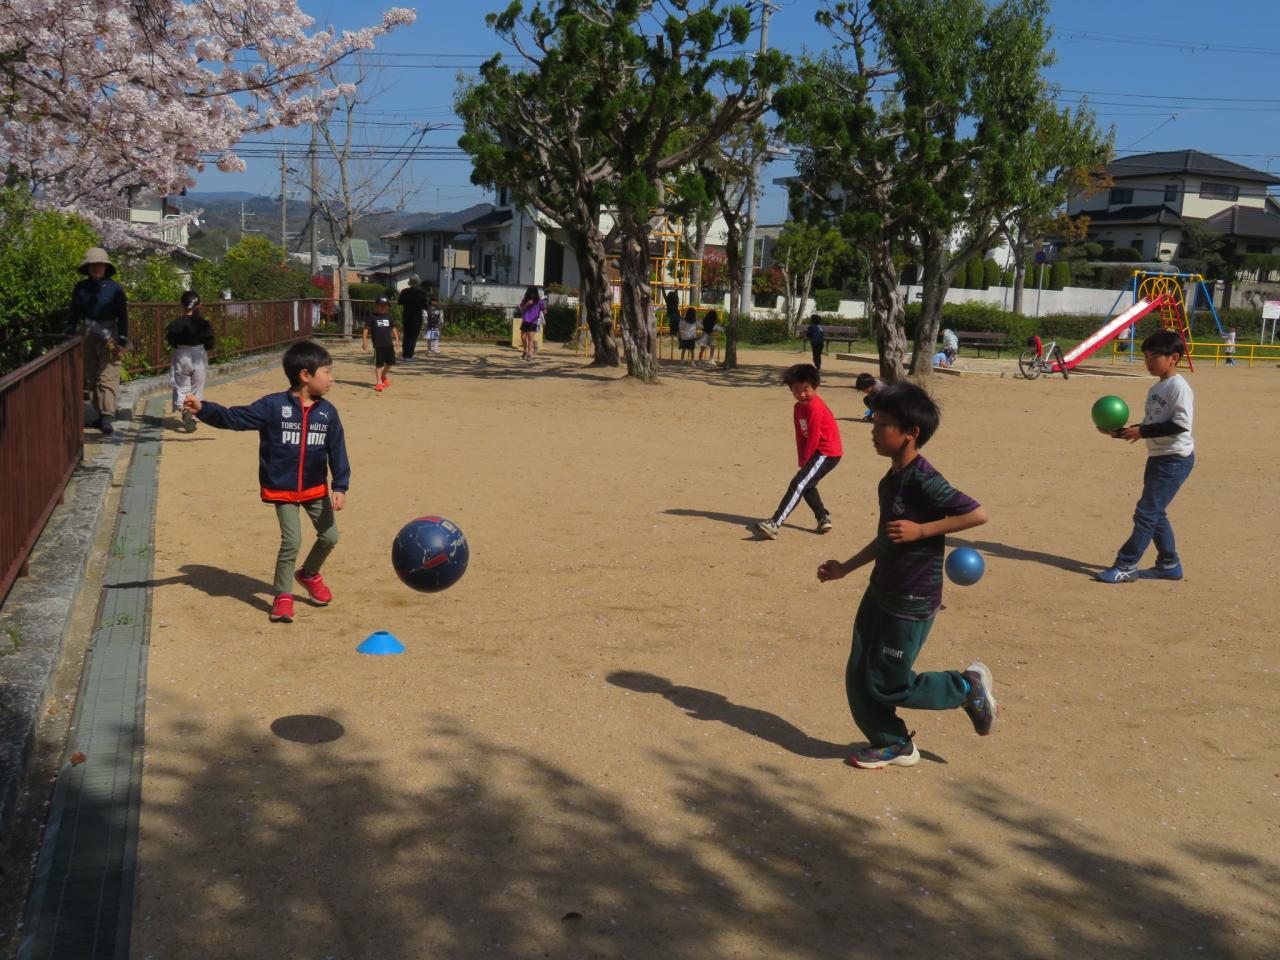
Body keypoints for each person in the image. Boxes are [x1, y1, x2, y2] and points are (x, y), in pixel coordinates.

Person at [816, 382, 994, 769]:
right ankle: (893, 742)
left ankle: (965, 687)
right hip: (881, 590)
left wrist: (923, 530)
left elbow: (976, 513)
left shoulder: (924, 479)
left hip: (912, 598)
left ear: (911, 432)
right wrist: (845, 568)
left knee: (890, 683)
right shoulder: (890, 480)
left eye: (883, 424)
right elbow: (887, 538)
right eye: (874, 421)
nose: (874, 430)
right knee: (859, 675)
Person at [182, 341, 350, 624]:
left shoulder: (328, 413)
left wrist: (340, 486)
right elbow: (235, 418)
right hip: (283, 489)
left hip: (315, 489)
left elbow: (337, 450)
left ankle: (309, 574)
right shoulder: (273, 406)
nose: (331, 378)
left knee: (330, 537)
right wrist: (203, 409)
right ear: (305, 375)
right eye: (327, 372)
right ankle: (283, 595)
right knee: (292, 541)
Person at [1094, 329, 1195, 583]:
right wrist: (1118, 433)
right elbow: (1149, 426)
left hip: (1175, 459)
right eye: (1146, 357)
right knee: (1155, 512)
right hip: (1158, 457)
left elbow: (1181, 424)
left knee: (1146, 512)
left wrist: (1143, 431)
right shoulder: (1156, 388)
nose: (1149, 362)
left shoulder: (1179, 387)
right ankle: (1169, 565)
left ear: (1173, 358)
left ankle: (1126, 564)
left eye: (1154, 357)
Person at [754, 364, 843, 539]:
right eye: (796, 389)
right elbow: (800, 434)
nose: (801, 394)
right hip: (817, 452)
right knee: (807, 484)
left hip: (826, 452)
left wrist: (807, 457)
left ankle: (775, 523)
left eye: (805, 389)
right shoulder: (798, 407)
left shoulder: (814, 405)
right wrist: (802, 457)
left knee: (798, 484)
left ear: (815, 387)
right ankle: (823, 517)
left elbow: (814, 435)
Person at [65, 247, 129, 435]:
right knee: (91, 376)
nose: (96, 268)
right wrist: (69, 330)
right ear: (88, 267)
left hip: (110, 333)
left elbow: (123, 316)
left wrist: (122, 340)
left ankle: (107, 415)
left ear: (106, 266)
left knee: (108, 375)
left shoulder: (116, 289)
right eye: (93, 264)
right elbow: (74, 312)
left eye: (100, 264)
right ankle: (100, 414)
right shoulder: (81, 288)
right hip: (88, 332)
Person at [165, 290, 215, 432]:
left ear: (181, 305)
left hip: (182, 353)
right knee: (197, 386)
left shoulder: (176, 323)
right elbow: (210, 342)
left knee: (181, 385)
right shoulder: (203, 323)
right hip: (199, 353)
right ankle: (193, 412)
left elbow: (171, 339)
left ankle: (185, 410)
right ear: (200, 305)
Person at [361, 295, 400, 392]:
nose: (383, 308)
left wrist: (397, 340)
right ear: (376, 306)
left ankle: (383, 375)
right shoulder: (372, 317)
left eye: (385, 306)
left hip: (389, 344)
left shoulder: (389, 317)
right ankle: (379, 382)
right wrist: (364, 341)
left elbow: (393, 328)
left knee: (390, 362)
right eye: (381, 306)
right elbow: (366, 329)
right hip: (379, 345)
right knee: (379, 364)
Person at [397, 275, 428, 361]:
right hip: (416, 316)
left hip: (406, 315)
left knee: (406, 335)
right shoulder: (421, 292)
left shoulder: (404, 291)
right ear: (418, 282)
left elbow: (400, 302)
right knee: (413, 336)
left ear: (410, 283)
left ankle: (405, 355)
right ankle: (409, 355)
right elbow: (425, 305)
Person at [518, 285, 547, 361]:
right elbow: (521, 309)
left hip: (533, 321)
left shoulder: (539, 301)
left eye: (533, 293)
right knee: (523, 337)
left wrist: (544, 311)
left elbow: (543, 309)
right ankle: (525, 352)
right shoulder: (525, 300)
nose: (532, 295)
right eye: (531, 293)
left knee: (530, 338)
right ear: (528, 293)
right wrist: (527, 304)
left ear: (536, 293)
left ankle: (529, 354)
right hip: (525, 320)